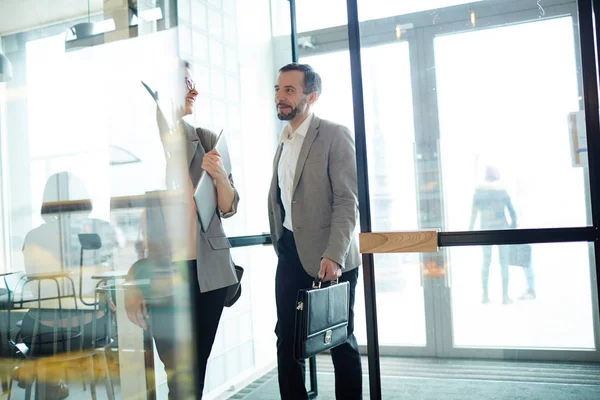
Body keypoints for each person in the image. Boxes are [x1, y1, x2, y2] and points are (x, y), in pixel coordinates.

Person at [124, 61, 240, 399]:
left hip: (207, 275)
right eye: (186, 81)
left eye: (193, 81)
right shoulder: (143, 147)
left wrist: (219, 176)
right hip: (162, 274)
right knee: (177, 370)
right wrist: (133, 281)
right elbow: (129, 227)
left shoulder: (204, 139)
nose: (194, 89)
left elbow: (229, 206)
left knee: (192, 373)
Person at [268, 63, 362, 399]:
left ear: (312, 96)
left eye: (289, 90)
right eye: (278, 89)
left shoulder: (334, 135)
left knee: (339, 339)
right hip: (291, 253)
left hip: (330, 256)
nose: (280, 97)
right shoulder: (284, 141)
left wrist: (334, 255)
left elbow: (347, 202)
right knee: (288, 338)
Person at [469, 165, 516, 305]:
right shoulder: (502, 190)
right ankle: (505, 296)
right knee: (504, 263)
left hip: (486, 230)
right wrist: (512, 227)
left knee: (486, 263)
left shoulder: (479, 191)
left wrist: (470, 230)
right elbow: (511, 211)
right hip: (502, 230)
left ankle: (485, 295)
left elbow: (474, 212)